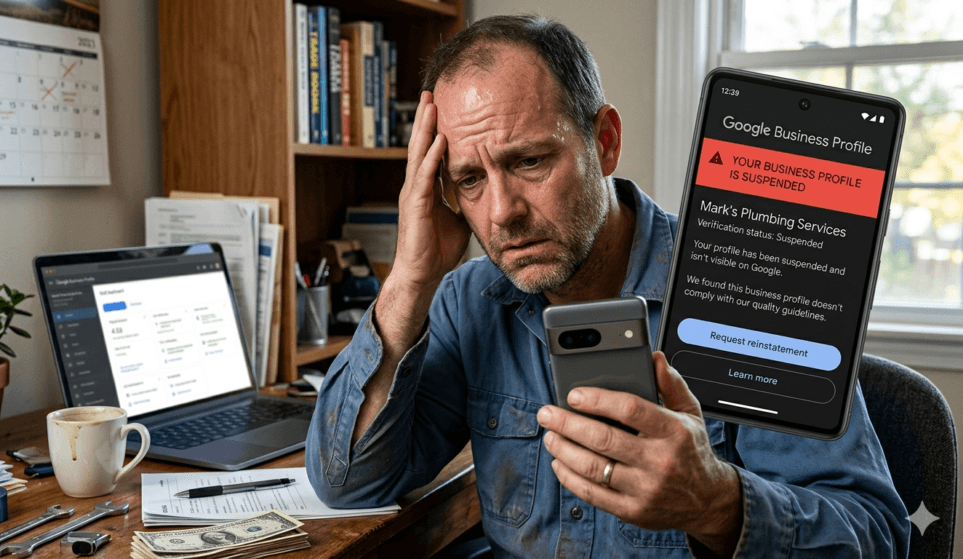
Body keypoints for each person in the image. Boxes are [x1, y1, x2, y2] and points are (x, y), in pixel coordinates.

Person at [306, 14, 908, 558]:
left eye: (530, 162)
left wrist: (718, 503)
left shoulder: (748, 288)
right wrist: (411, 278)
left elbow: (876, 534)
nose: (500, 212)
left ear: (605, 142)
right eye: (468, 180)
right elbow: (348, 481)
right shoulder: (470, 300)